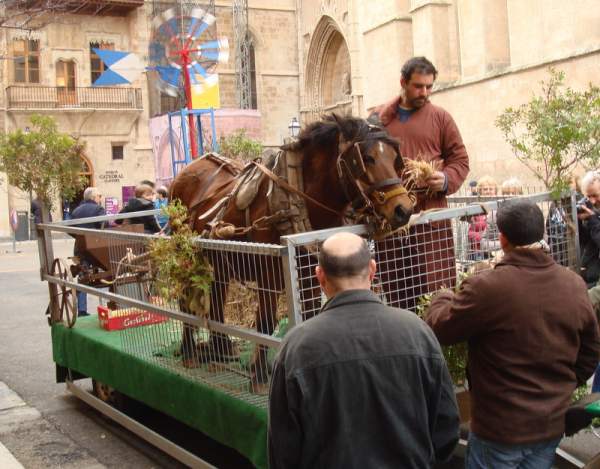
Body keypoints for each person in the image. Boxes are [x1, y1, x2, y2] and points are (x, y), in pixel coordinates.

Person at [425, 199, 600, 469]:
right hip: (549, 425)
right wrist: (564, 384)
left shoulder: (488, 287)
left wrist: (443, 295)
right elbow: (591, 349)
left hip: (499, 431)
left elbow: (442, 327)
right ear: (540, 233)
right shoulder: (573, 284)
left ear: (503, 239)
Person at [268, 232, 460, 469]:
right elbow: (446, 426)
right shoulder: (417, 332)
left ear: (320, 276)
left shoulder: (296, 347)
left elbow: (283, 447)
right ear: (372, 269)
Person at [369, 56, 469, 310]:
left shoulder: (441, 117)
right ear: (403, 82)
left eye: (429, 87)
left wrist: (445, 179)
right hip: (391, 219)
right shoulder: (378, 119)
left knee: (436, 288)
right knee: (397, 287)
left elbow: (460, 160)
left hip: (429, 216)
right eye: (418, 86)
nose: (424, 92)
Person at [71, 187, 105, 317]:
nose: (100, 198)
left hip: (80, 247)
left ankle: (82, 310)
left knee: (82, 276)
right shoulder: (98, 209)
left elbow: (69, 227)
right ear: (94, 197)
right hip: (96, 247)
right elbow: (104, 224)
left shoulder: (76, 211)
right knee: (107, 271)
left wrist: (79, 238)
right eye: (99, 196)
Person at [578, 171, 600, 286]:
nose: (592, 201)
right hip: (588, 271)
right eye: (588, 196)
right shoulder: (590, 208)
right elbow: (585, 240)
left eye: (595, 195)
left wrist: (592, 219)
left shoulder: (593, 216)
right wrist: (578, 222)